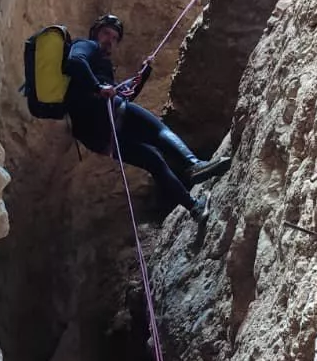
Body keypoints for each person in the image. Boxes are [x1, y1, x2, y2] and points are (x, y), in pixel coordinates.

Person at [64, 14, 230, 223]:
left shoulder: (99, 67)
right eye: (106, 33)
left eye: (114, 38)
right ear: (95, 32)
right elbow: (75, 61)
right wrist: (99, 87)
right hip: (105, 116)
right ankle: (194, 165)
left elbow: (122, 95)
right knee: (159, 131)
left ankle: (195, 208)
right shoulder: (86, 46)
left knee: (153, 160)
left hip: (99, 138)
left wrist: (143, 74)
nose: (110, 40)